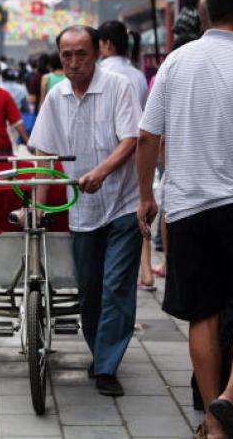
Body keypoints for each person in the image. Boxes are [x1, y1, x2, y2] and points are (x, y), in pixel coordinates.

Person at [137, 0, 233, 439]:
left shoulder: (175, 63)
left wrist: (146, 195)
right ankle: (231, 397)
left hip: (186, 209)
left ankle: (211, 425)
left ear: (205, 16)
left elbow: (146, 137)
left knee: (203, 313)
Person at [28, 25, 143, 397]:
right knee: (90, 289)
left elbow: (131, 138)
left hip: (124, 202)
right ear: (59, 57)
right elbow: (45, 155)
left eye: (81, 54)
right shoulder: (56, 96)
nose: (74, 62)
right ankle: (100, 351)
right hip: (83, 209)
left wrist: (102, 171)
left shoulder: (117, 86)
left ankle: (107, 365)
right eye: (67, 55)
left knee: (117, 287)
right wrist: (40, 205)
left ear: (97, 53)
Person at [96, 20, 155, 292]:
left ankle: (116, 273)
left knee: (107, 220)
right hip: (137, 154)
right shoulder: (138, 75)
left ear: (106, 44)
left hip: (107, 156)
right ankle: (145, 270)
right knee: (138, 211)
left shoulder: (100, 73)